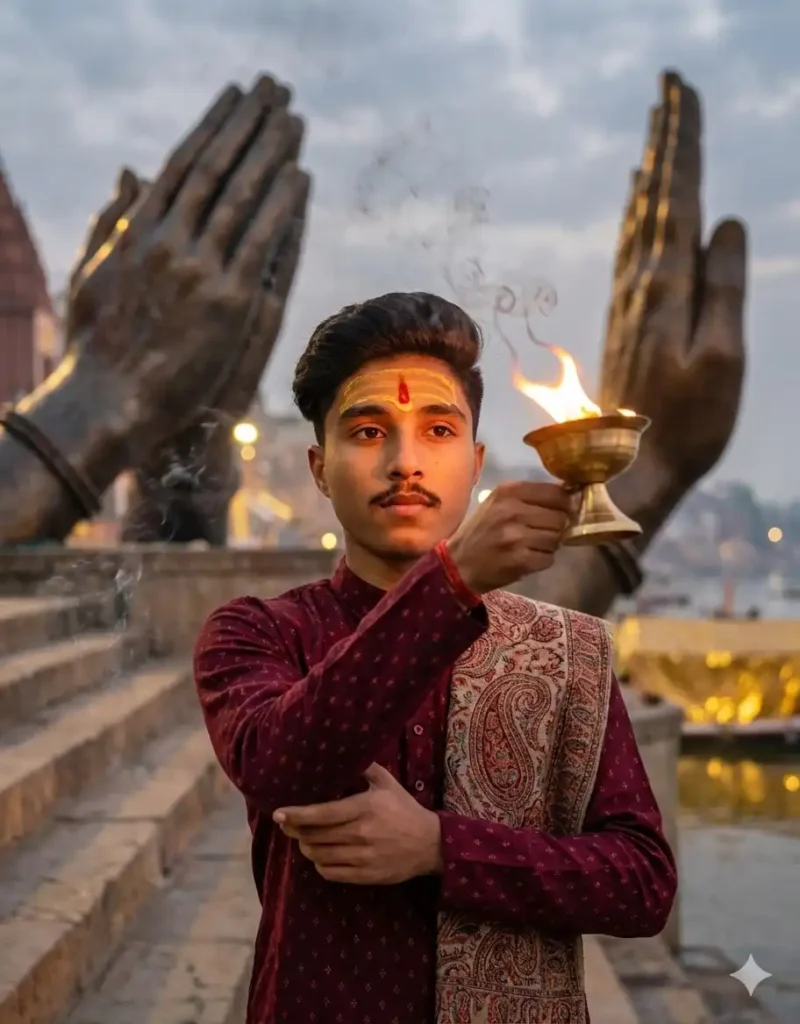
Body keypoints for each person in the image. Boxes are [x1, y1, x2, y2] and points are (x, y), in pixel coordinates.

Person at [193, 291, 677, 1024]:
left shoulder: (568, 651)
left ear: (476, 461)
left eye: (439, 429)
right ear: (320, 468)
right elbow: (279, 767)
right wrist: (450, 585)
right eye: (367, 431)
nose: (405, 462)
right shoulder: (259, 634)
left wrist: (443, 850)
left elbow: (643, 885)